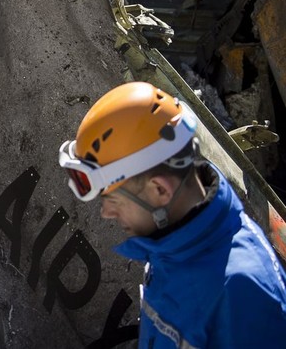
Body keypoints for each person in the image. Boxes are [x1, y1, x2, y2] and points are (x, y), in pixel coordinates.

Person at [58, 81, 286, 348]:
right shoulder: (177, 242)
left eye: (113, 200)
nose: (106, 212)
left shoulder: (242, 295)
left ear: (159, 190)